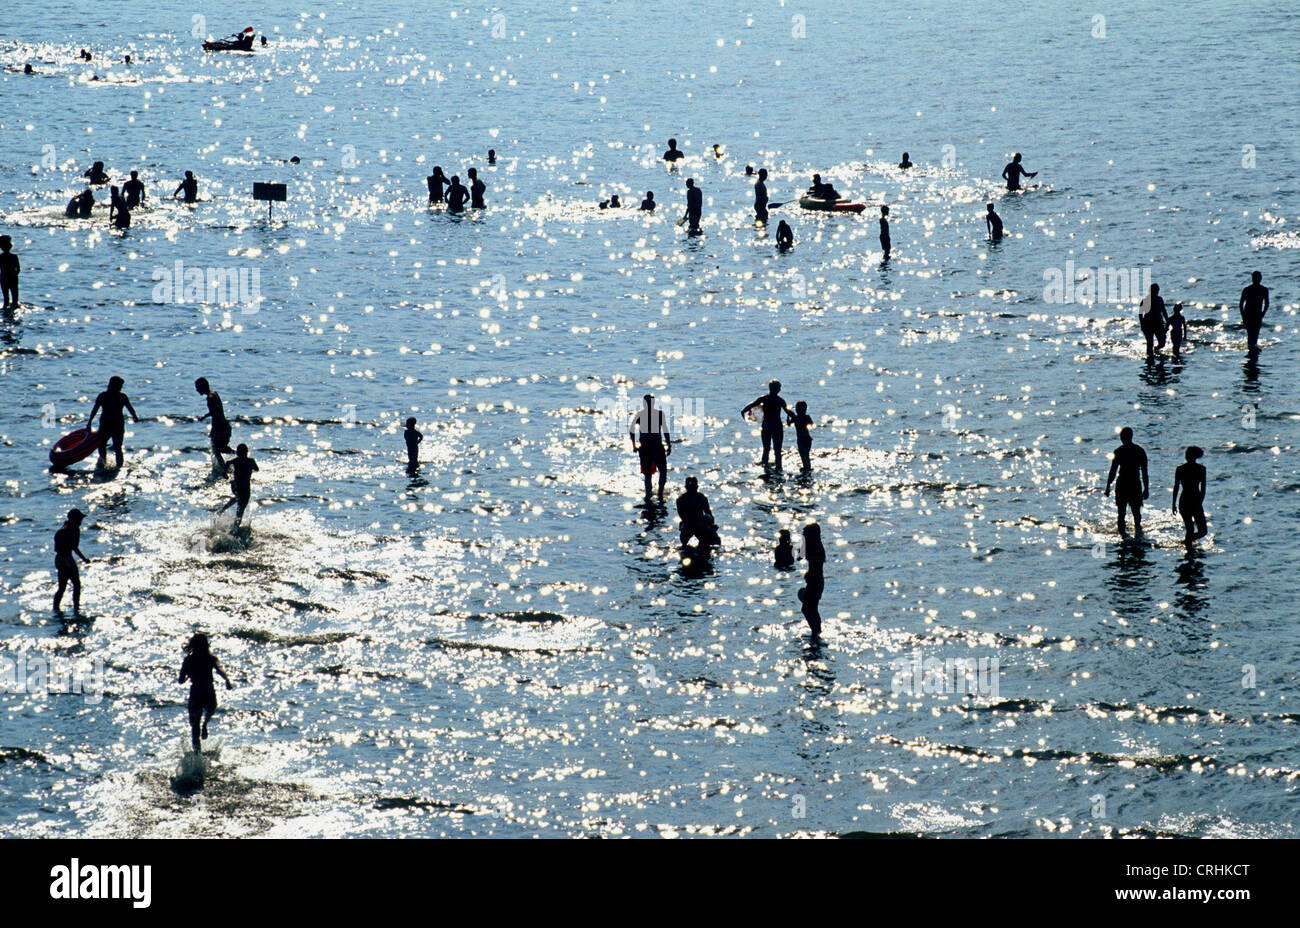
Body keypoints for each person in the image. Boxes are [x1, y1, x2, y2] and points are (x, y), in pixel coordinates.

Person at [178, 633, 233, 754]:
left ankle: (197, 754)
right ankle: (205, 724)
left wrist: (188, 675)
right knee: (211, 708)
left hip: (196, 691)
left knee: (194, 727)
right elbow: (220, 669)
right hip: (208, 690)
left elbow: (180, 681)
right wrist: (227, 680)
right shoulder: (211, 658)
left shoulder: (188, 660)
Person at [1104, 426, 1149, 537]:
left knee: (1121, 513)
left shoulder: (1119, 451)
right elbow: (1144, 473)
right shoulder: (1139, 451)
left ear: (1123, 437)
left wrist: (1108, 486)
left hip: (1123, 484)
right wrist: (1146, 488)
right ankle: (1137, 534)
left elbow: (1113, 471)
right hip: (1134, 483)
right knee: (1136, 512)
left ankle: (1123, 536)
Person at [87, 376, 139, 468]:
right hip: (107, 425)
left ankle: (118, 466)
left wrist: (134, 416)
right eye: (119, 385)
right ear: (113, 385)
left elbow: (130, 408)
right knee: (103, 445)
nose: (120, 387)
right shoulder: (104, 396)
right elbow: (95, 410)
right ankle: (104, 464)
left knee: (116, 447)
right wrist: (89, 422)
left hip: (115, 425)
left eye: (121, 386)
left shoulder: (120, 396)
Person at [741, 379, 795, 468]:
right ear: (776, 389)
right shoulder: (780, 400)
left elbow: (752, 405)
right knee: (777, 451)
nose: (780, 390)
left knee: (766, 449)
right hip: (777, 426)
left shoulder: (764, 399)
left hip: (766, 426)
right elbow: (788, 412)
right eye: (779, 388)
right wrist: (796, 417)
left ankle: (765, 467)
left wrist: (743, 411)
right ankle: (778, 468)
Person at [630, 394, 672, 501]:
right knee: (661, 471)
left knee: (649, 474)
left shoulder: (640, 415)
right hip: (655, 447)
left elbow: (632, 431)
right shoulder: (658, 414)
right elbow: (665, 430)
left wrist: (634, 445)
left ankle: (650, 493)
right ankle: (659, 493)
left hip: (647, 447)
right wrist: (668, 444)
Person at [53, 508, 90, 613]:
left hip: (60, 559)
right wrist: (84, 559)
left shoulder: (62, 530)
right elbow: (74, 547)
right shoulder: (71, 530)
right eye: (79, 519)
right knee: (76, 585)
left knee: (62, 587)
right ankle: (76, 608)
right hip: (66, 559)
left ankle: (56, 608)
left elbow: (57, 548)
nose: (81, 522)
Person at [195, 378, 233, 472]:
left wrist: (204, 417)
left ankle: (225, 471)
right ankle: (239, 457)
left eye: (197, 387)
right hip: (224, 425)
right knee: (222, 449)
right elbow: (216, 411)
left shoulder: (210, 397)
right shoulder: (214, 393)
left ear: (202, 387)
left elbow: (215, 411)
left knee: (217, 451)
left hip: (220, 428)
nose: (197, 390)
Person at [1171, 446, 1208, 543]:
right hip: (1187, 500)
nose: (1187, 456)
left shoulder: (1200, 469)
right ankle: (1188, 547)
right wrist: (1173, 504)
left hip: (1193, 500)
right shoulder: (1181, 469)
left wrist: (1200, 502)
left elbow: (1203, 488)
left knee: (1202, 531)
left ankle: (1186, 543)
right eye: (1186, 454)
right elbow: (1176, 487)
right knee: (1191, 529)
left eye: (1188, 454)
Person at [220, 444, 259, 526]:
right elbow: (257, 469)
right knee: (241, 506)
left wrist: (224, 473)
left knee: (238, 498)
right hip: (245, 487)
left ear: (237, 453)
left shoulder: (235, 460)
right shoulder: (250, 461)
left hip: (235, 485)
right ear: (246, 452)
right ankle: (236, 525)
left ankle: (223, 509)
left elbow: (227, 462)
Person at [798, 522, 825, 638]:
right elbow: (799, 557)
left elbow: (814, 566)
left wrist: (808, 575)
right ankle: (817, 630)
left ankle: (816, 632)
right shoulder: (814, 546)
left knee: (807, 609)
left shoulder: (815, 548)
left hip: (815, 581)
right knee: (812, 608)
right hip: (816, 581)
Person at [675, 476, 719, 547]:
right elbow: (682, 516)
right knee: (684, 539)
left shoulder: (701, 498)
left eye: (693, 487)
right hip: (688, 523)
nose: (692, 489)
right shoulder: (681, 500)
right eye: (690, 487)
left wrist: (710, 525)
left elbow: (708, 513)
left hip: (700, 523)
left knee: (714, 540)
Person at [1238, 270, 1269, 352]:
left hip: (1254, 314)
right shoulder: (1262, 290)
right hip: (1252, 314)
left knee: (1252, 334)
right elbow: (1241, 304)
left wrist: (1262, 314)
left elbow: (1241, 305)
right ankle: (1252, 351)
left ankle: (1251, 351)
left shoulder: (1249, 289)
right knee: (1253, 334)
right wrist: (1243, 316)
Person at [1139, 283, 1168, 360]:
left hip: (1158, 323)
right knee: (1150, 342)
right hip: (1148, 323)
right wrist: (1142, 324)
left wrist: (1167, 322)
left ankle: (1156, 349)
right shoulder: (1145, 300)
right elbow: (1140, 313)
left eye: (1157, 291)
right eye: (1154, 291)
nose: (1156, 292)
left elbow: (1164, 311)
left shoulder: (1159, 299)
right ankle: (1149, 358)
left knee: (1162, 342)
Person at [792, 400, 814, 471]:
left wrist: (789, 417)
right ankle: (807, 467)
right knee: (806, 455)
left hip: (801, 439)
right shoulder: (806, 417)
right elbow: (811, 423)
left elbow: (789, 423)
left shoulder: (796, 418)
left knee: (803, 454)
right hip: (808, 438)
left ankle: (806, 467)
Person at [0, 235, 19, 311]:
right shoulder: (14, 256)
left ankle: (7, 309)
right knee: (14, 298)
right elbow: (18, 269)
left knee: (6, 298)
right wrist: (15, 274)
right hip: (12, 278)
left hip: (5, 278)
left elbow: (18, 269)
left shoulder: (1, 257)